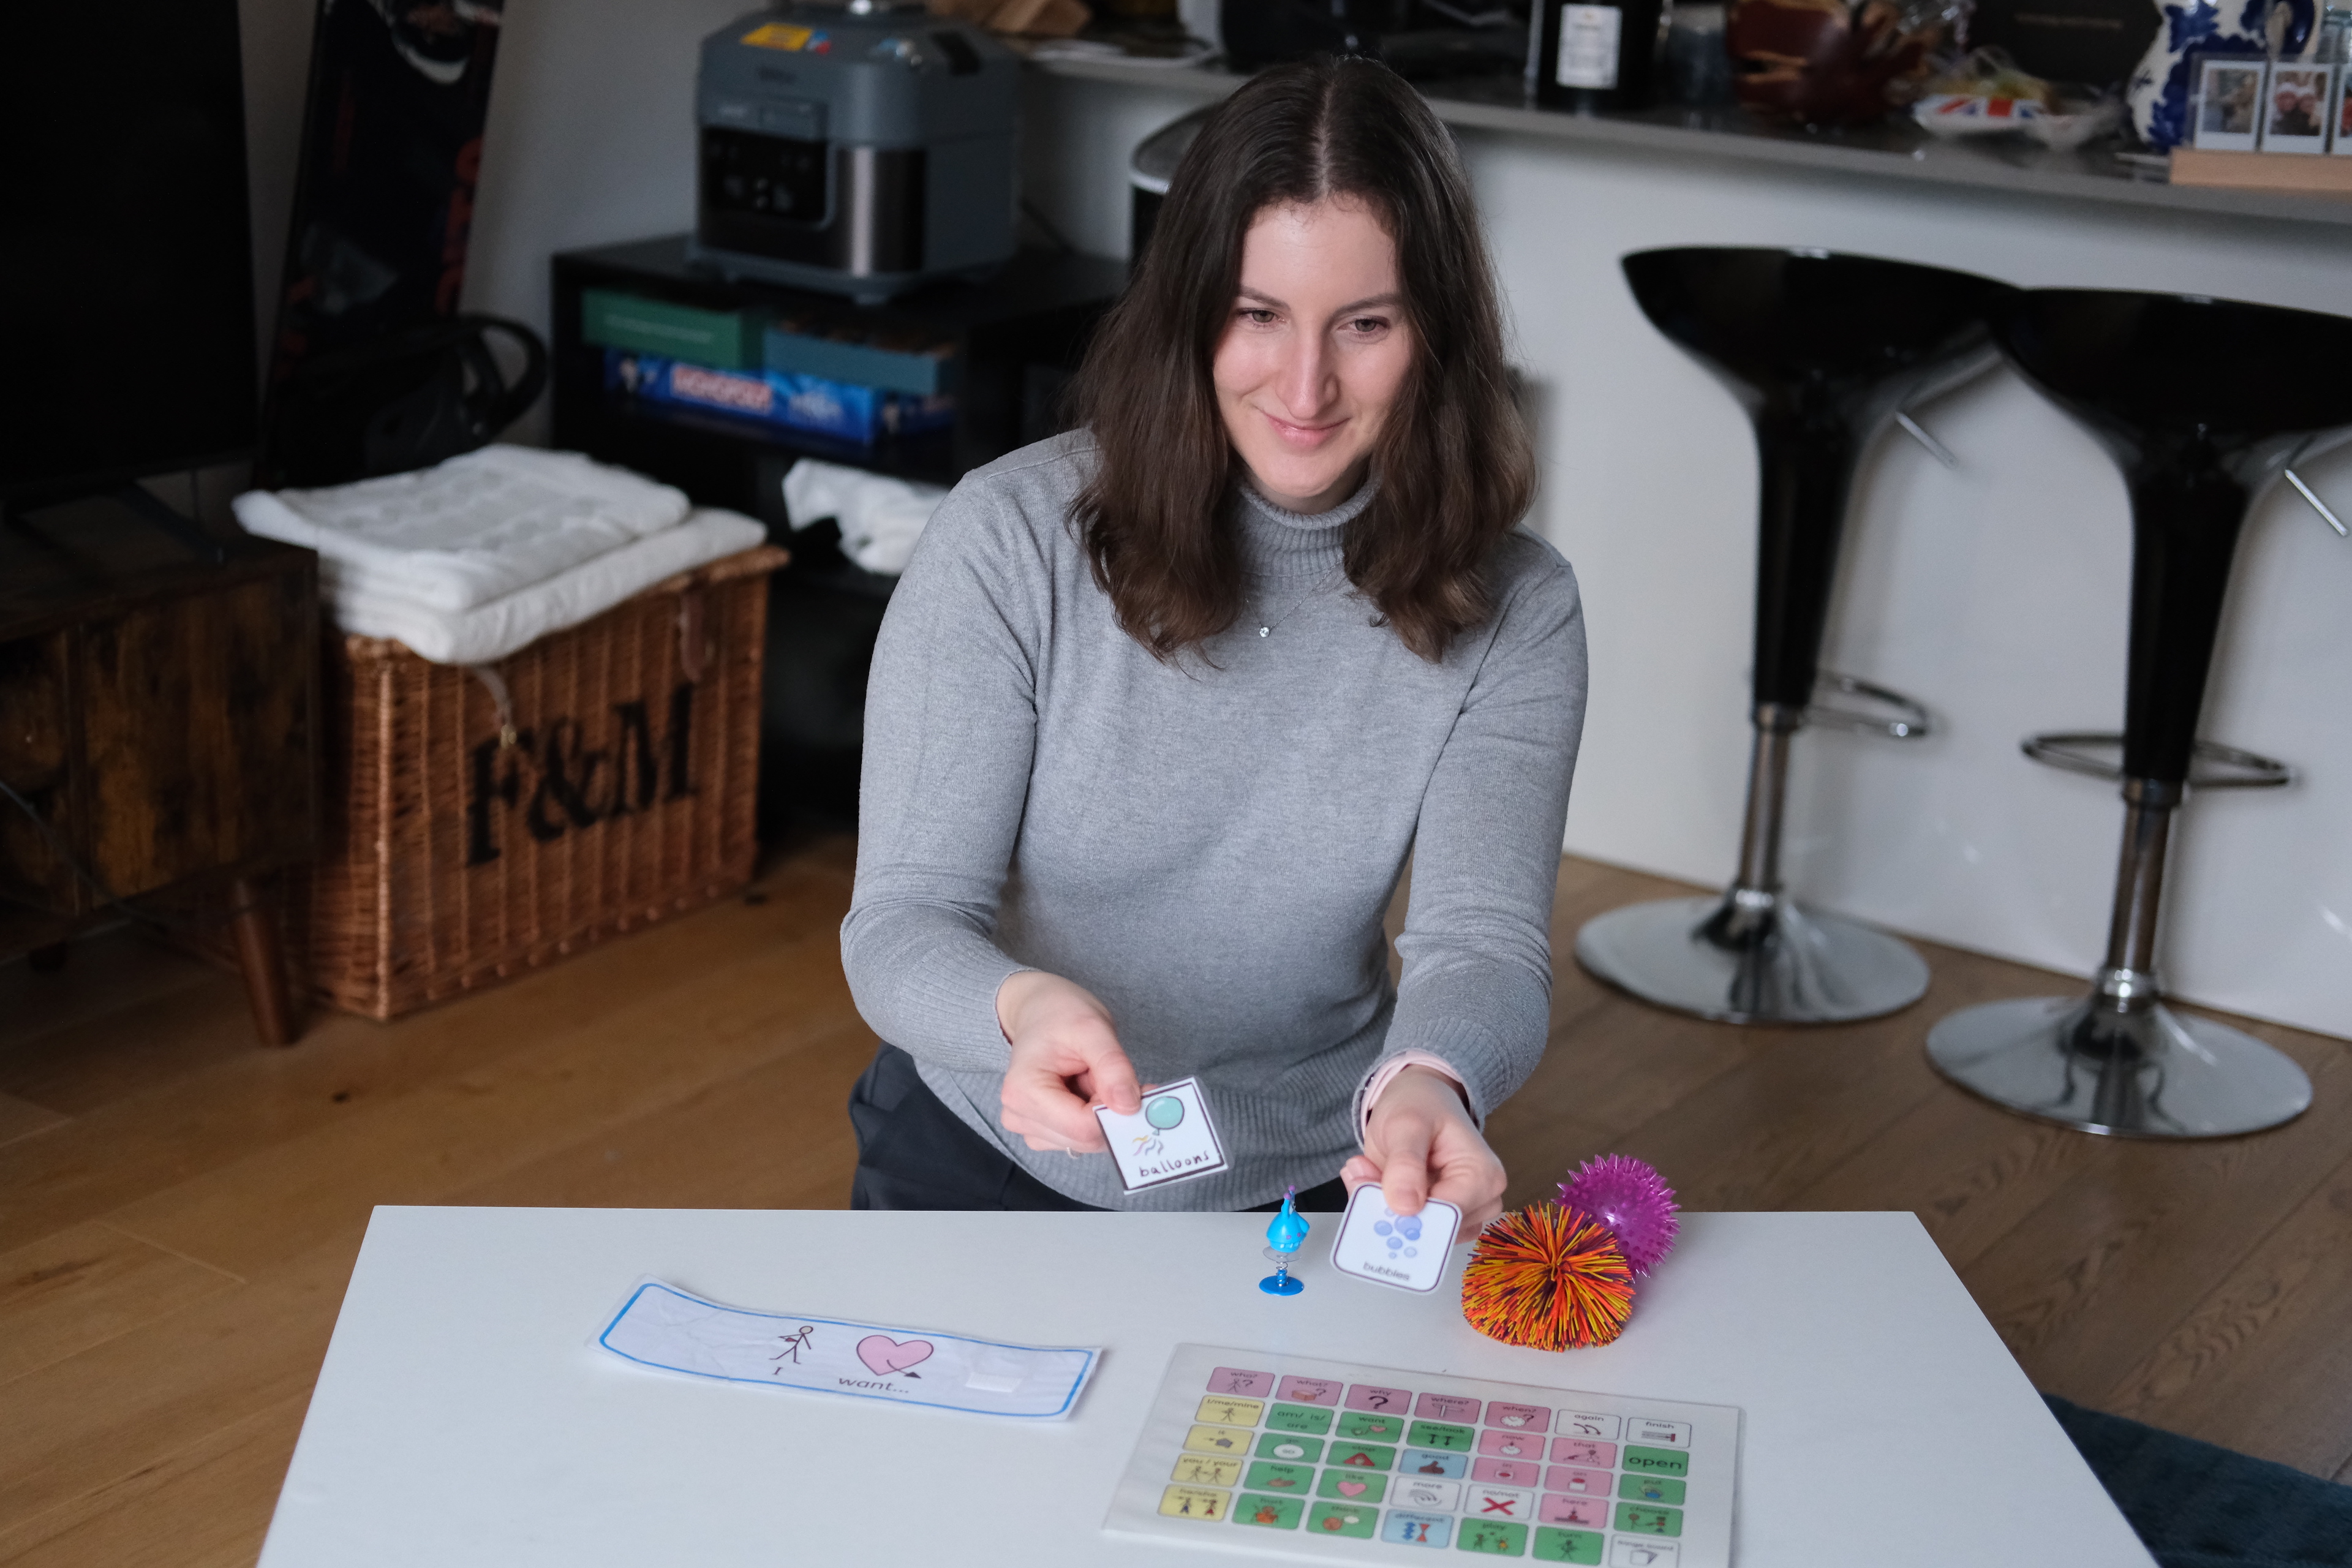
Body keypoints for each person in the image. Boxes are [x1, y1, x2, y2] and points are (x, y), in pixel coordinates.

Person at [839, 55, 1587, 1231]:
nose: (1306, 384)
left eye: (1366, 325)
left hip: (1313, 1171)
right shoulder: (1008, 534)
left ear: (1435, 332)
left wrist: (1434, 1081)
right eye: (1257, 315)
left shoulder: (1521, 606)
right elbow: (901, 922)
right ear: (1190, 311)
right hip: (1001, 1146)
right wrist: (1020, 1008)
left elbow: (1479, 940)